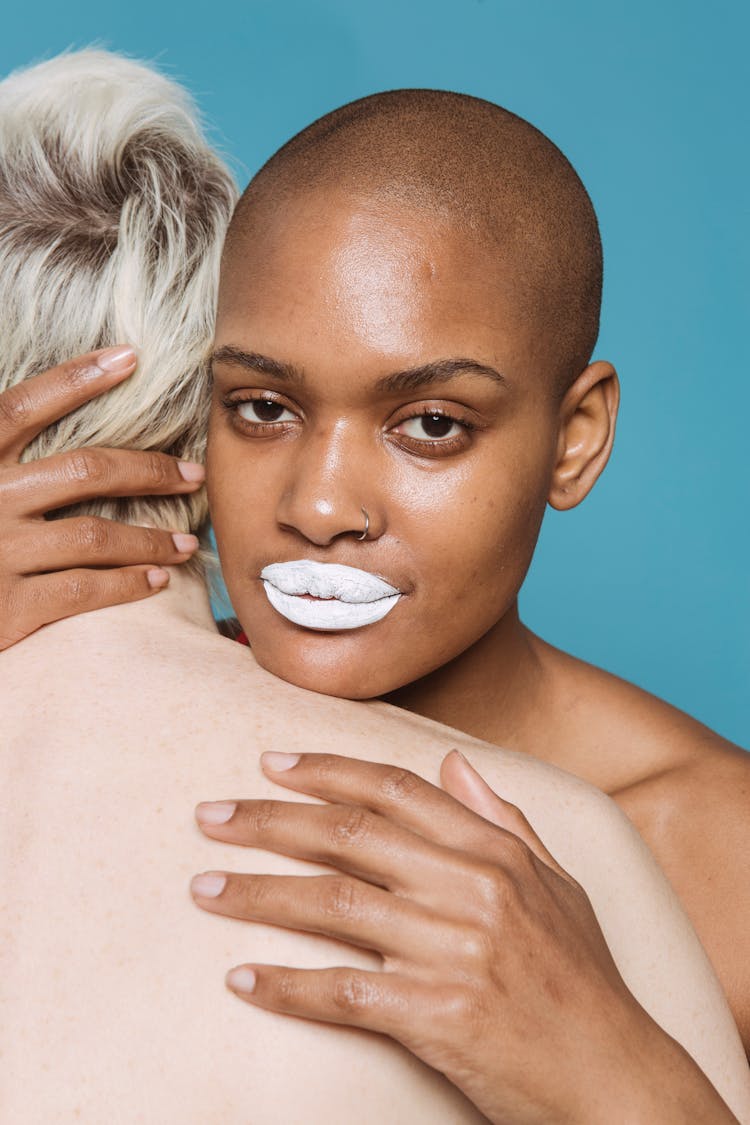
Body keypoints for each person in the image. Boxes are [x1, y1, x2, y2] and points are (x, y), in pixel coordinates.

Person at [0, 51, 748, 1124]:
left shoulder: (719, 854)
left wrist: (617, 1072)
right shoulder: (87, 717)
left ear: (574, 442)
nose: (321, 504)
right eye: (262, 407)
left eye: (431, 425)